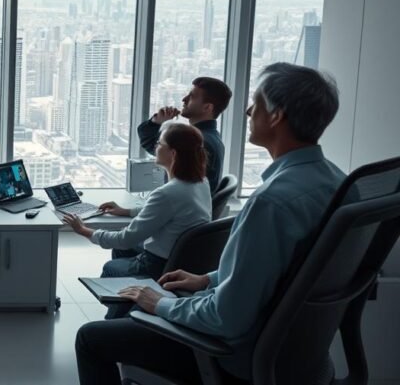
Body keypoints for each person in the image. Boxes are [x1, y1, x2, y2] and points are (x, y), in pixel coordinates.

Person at [75, 63, 344, 385]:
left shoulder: (271, 203)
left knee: (91, 338)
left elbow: (225, 318)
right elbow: (286, 268)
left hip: (235, 354)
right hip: (299, 356)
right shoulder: (337, 183)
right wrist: (206, 279)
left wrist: (159, 303)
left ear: (276, 116)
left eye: (256, 103)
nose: (247, 110)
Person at [64, 123, 211, 318]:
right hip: (183, 259)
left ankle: (117, 319)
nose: (155, 147)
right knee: (122, 250)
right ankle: (130, 306)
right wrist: (127, 211)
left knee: (111, 266)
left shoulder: (167, 193)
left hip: (158, 264)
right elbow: (164, 211)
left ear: (173, 154)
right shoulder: (201, 182)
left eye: (160, 144)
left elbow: (125, 238)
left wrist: (84, 231)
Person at [137, 76, 231, 196]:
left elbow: (152, 146)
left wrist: (156, 123)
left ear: (207, 107)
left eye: (191, 97)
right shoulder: (211, 137)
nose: (184, 99)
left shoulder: (197, 142)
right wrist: (156, 122)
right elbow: (155, 147)